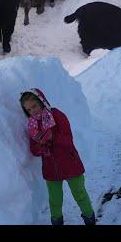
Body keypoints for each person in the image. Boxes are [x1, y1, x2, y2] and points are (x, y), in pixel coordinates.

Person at [20, 88, 96, 225]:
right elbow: (34, 150)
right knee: (55, 200)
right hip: (51, 168)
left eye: (34, 106)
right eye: (29, 110)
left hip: (70, 162)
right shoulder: (32, 126)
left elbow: (68, 139)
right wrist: (41, 146)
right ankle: (57, 222)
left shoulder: (56, 115)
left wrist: (52, 137)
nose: (33, 111)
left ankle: (90, 218)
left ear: (42, 102)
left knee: (80, 194)